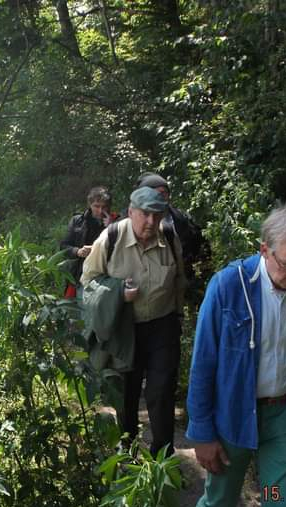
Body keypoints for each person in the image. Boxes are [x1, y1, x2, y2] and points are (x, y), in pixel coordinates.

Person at [185, 203, 286, 507]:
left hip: (285, 413)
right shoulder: (228, 286)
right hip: (232, 415)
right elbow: (203, 362)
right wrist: (202, 433)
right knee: (219, 505)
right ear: (265, 250)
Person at [81, 187, 186, 456]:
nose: (151, 222)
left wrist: (178, 317)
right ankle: (128, 448)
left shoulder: (170, 238)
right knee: (126, 393)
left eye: (157, 215)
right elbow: (88, 282)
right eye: (145, 214)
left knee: (161, 392)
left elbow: (178, 282)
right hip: (125, 329)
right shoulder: (111, 238)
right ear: (131, 212)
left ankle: (162, 458)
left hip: (162, 327)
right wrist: (118, 293)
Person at [135, 172, 212, 308]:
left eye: (164, 192)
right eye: (155, 193)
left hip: (178, 289)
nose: (160, 197)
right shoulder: (127, 222)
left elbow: (201, 250)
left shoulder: (182, 220)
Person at [60, 186, 116, 298]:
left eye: (104, 207)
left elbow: (123, 249)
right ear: (90, 205)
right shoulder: (78, 221)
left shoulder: (118, 223)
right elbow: (63, 247)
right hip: (79, 275)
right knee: (72, 311)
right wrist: (78, 251)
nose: (101, 210)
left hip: (105, 277)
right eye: (97, 206)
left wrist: (112, 227)